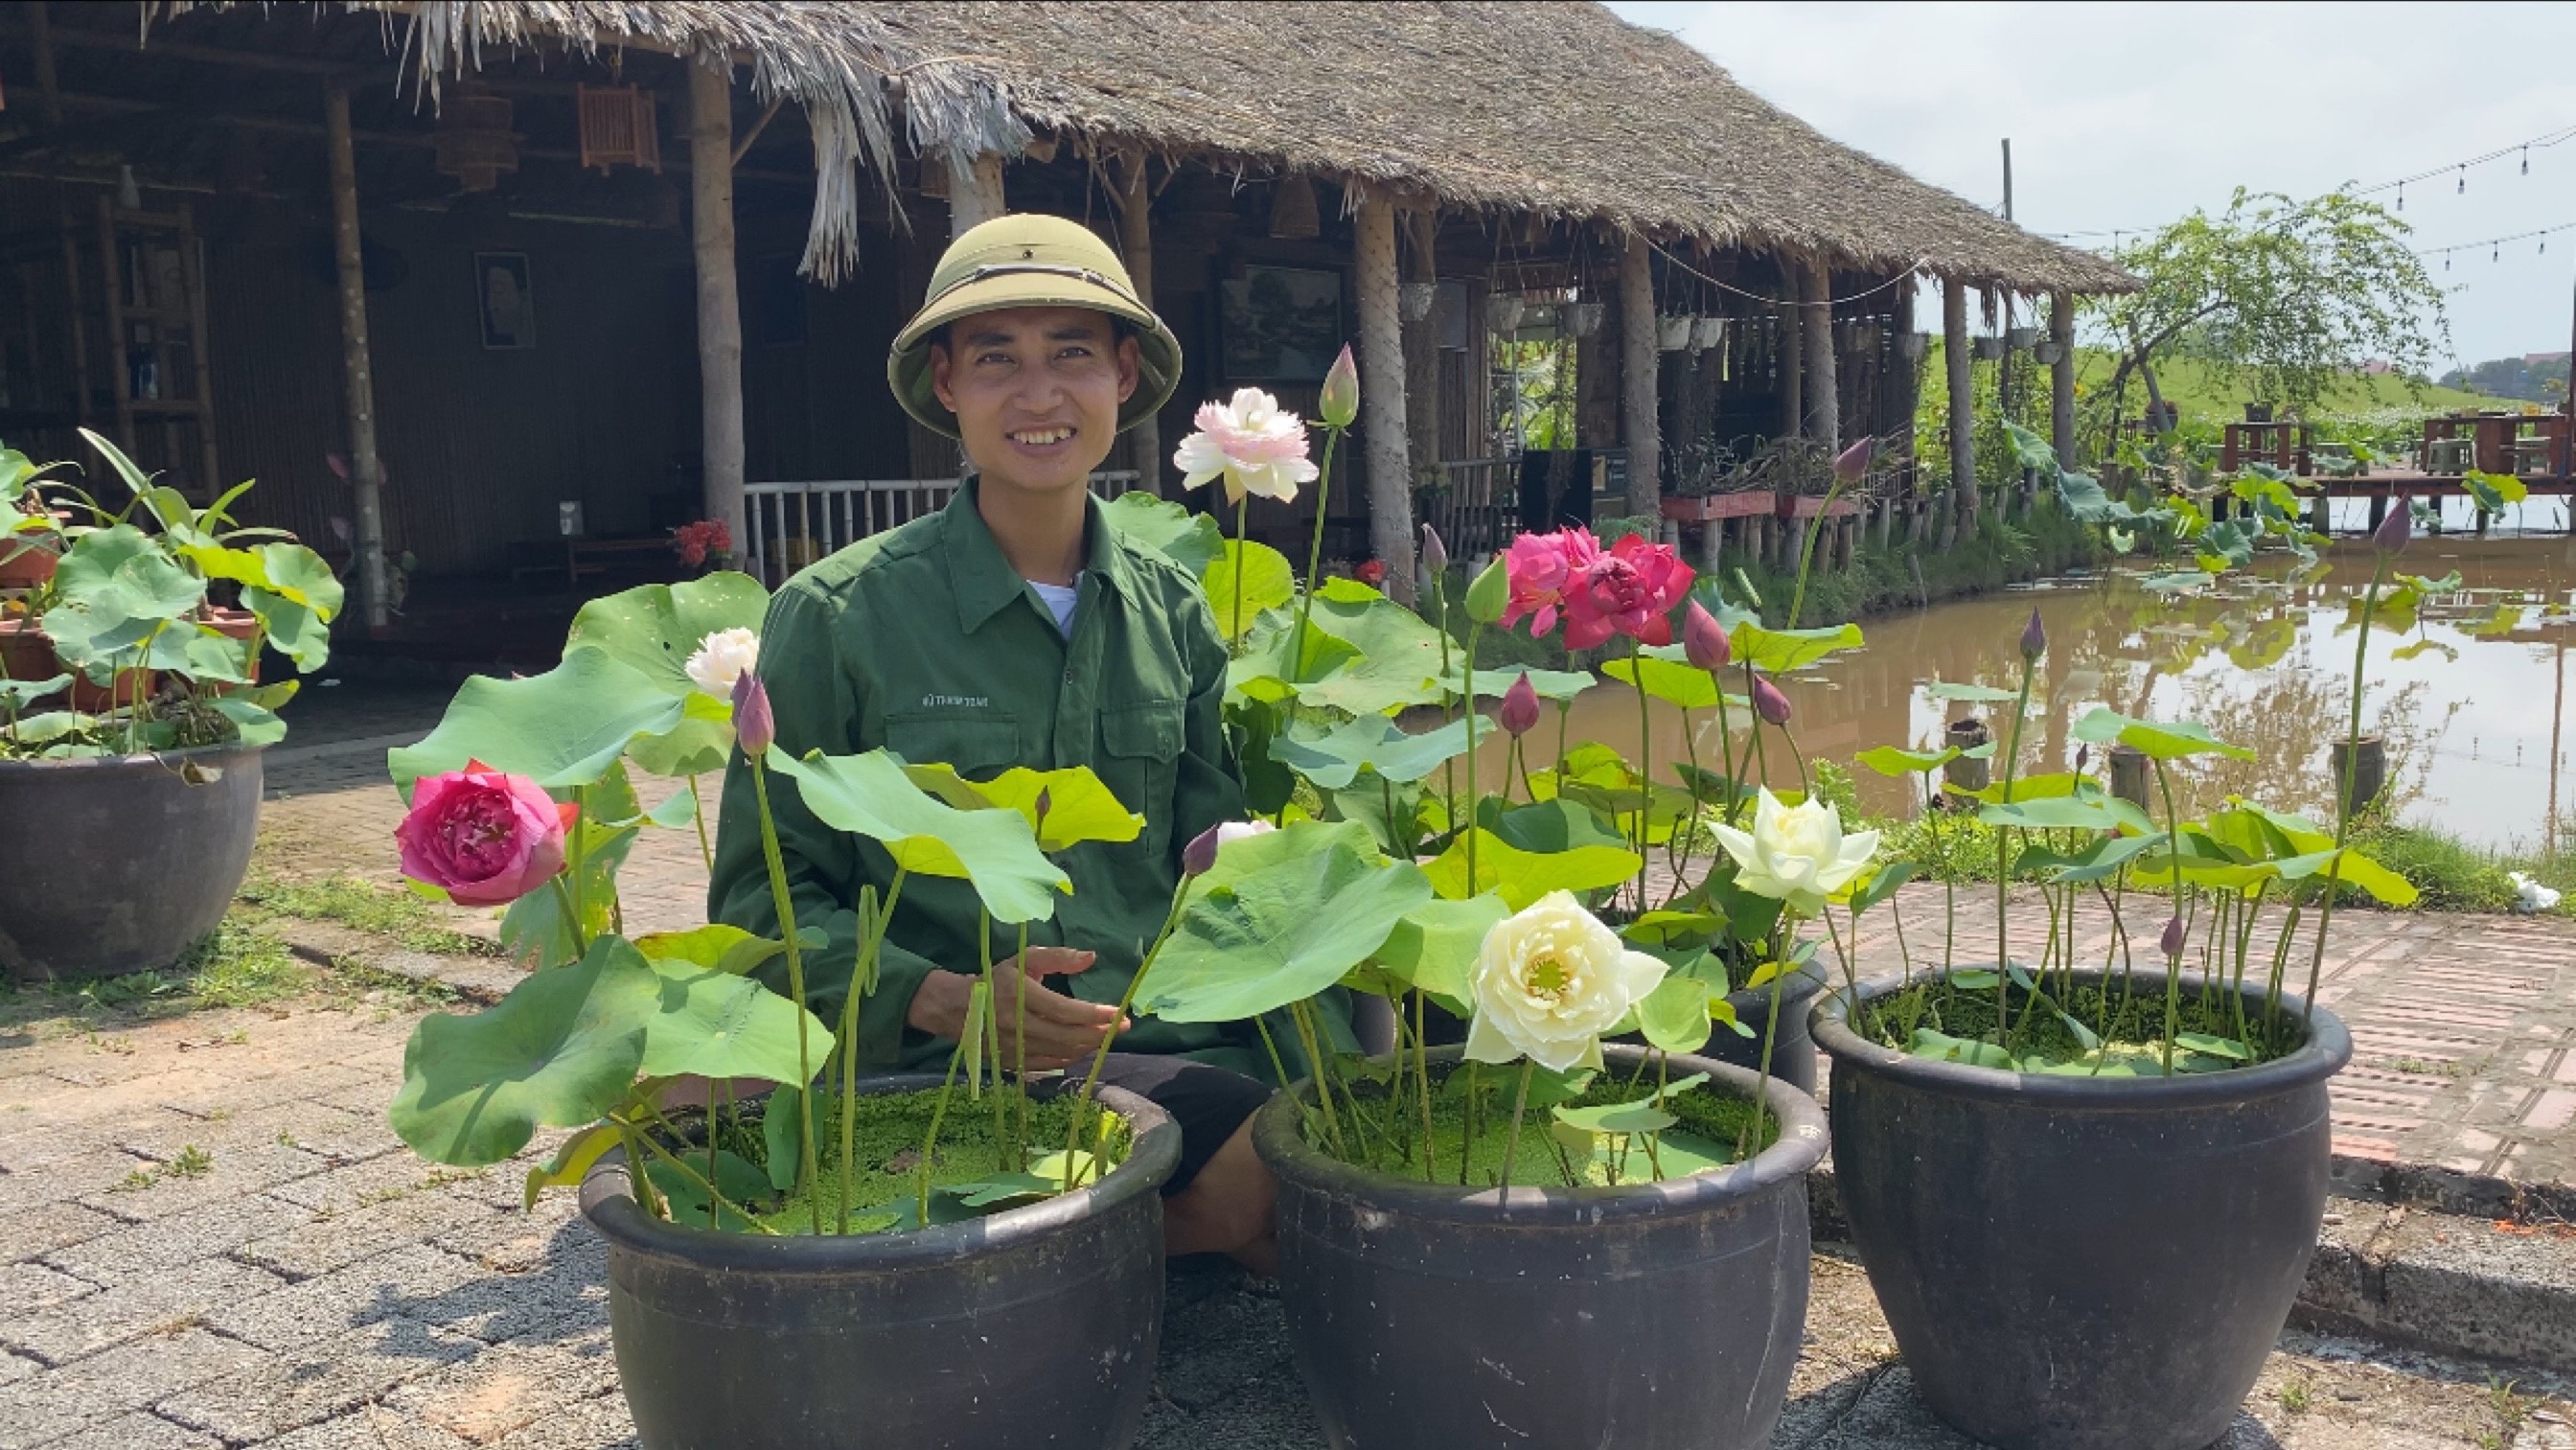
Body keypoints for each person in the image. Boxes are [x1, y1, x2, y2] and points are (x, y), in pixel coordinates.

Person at [709, 214, 1328, 1274]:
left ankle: (1015, 1247)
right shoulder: (835, 615)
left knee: (1349, 1151)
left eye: (1071, 354)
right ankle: (1036, 1244)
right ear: (946, 384)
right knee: (1265, 1191)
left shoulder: (1173, 609)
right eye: (998, 358)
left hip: (1166, 1046)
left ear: (1125, 375)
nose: (1039, 395)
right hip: (938, 1065)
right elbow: (760, 903)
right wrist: (935, 996)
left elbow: (1219, 869)